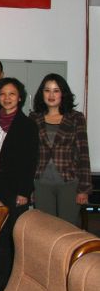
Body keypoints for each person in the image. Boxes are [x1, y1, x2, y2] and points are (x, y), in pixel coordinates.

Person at [0, 77, 39, 291]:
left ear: (20, 98)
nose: (7, 98)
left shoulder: (27, 125)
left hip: (15, 189)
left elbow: (30, 161)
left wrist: (24, 192)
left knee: (10, 236)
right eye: (2, 94)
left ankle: (8, 282)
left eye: (12, 94)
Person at [30, 73, 91, 226]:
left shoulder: (76, 118)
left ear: (63, 94)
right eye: (47, 90)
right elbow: (29, 156)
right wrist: (28, 188)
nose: (51, 95)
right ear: (42, 93)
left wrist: (84, 189)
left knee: (68, 227)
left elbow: (83, 154)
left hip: (69, 182)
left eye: (56, 90)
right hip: (41, 183)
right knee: (46, 227)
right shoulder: (34, 118)